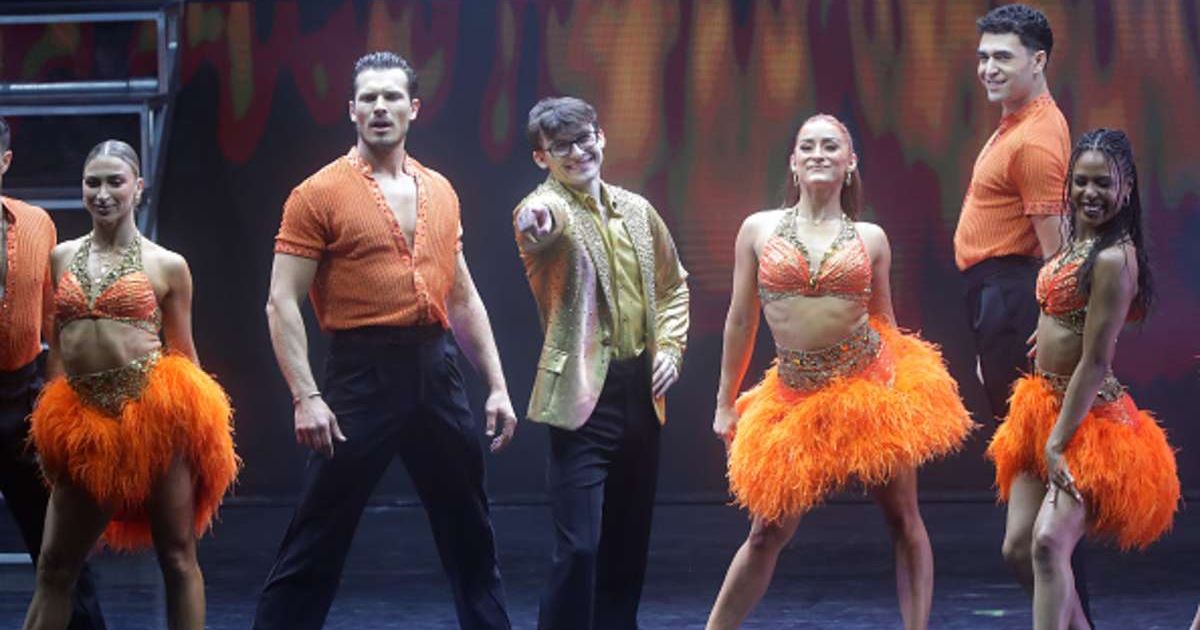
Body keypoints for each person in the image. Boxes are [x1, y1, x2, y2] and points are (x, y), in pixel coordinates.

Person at [254, 51, 515, 630]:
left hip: (436, 367)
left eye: (391, 97)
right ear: (350, 110)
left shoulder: (441, 190)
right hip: (360, 374)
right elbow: (281, 303)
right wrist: (306, 396)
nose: (379, 107)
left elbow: (464, 298)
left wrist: (495, 385)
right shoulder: (317, 193)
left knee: (470, 532)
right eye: (367, 98)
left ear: (413, 109)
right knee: (317, 537)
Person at [706, 114, 975, 630]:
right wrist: (724, 401)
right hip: (795, 397)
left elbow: (886, 321)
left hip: (867, 385)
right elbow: (741, 319)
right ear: (793, 161)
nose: (818, 153)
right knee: (766, 533)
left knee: (903, 519)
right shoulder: (758, 229)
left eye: (831, 146)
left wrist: (901, 392)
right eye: (807, 145)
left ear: (851, 163)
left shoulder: (870, 237)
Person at [22, 140, 239, 630]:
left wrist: (203, 441)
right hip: (88, 426)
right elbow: (57, 349)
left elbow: (184, 356)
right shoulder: (61, 257)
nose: (102, 193)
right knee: (55, 567)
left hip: (155, 420)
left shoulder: (168, 265)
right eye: (92, 182)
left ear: (138, 188)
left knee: (177, 559)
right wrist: (52, 434)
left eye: (114, 181)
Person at [987, 129, 1179, 629]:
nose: (1089, 194)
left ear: (1127, 189)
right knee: (1016, 548)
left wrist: (1056, 443)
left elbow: (1094, 361)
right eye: (1080, 182)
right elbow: (1064, 303)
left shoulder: (1116, 257)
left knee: (1049, 544)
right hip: (1043, 404)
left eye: (1103, 184)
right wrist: (1049, 325)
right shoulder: (1078, 241)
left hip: (1088, 421)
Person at [513, 96, 690, 630]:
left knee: (627, 544)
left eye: (584, 138)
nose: (577, 152)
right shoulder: (548, 208)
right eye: (560, 146)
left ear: (602, 137)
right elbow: (538, 224)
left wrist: (672, 349)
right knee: (580, 549)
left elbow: (674, 285)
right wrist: (535, 218)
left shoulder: (637, 210)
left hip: (641, 391)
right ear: (542, 158)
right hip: (584, 397)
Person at [0, 117, 107, 630]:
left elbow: (53, 318)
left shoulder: (37, 224)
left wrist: (55, 396)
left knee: (60, 547)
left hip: (21, 400)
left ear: (4, 161)